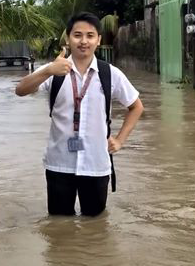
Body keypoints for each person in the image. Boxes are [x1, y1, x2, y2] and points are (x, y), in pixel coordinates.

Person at [15, 12, 145, 216]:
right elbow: (20, 90)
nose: (83, 41)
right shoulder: (54, 72)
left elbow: (136, 107)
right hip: (59, 165)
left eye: (90, 35)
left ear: (98, 40)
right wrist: (48, 70)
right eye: (77, 35)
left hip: (96, 164)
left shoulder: (110, 74)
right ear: (68, 38)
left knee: (95, 227)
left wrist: (119, 140)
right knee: (58, 225)